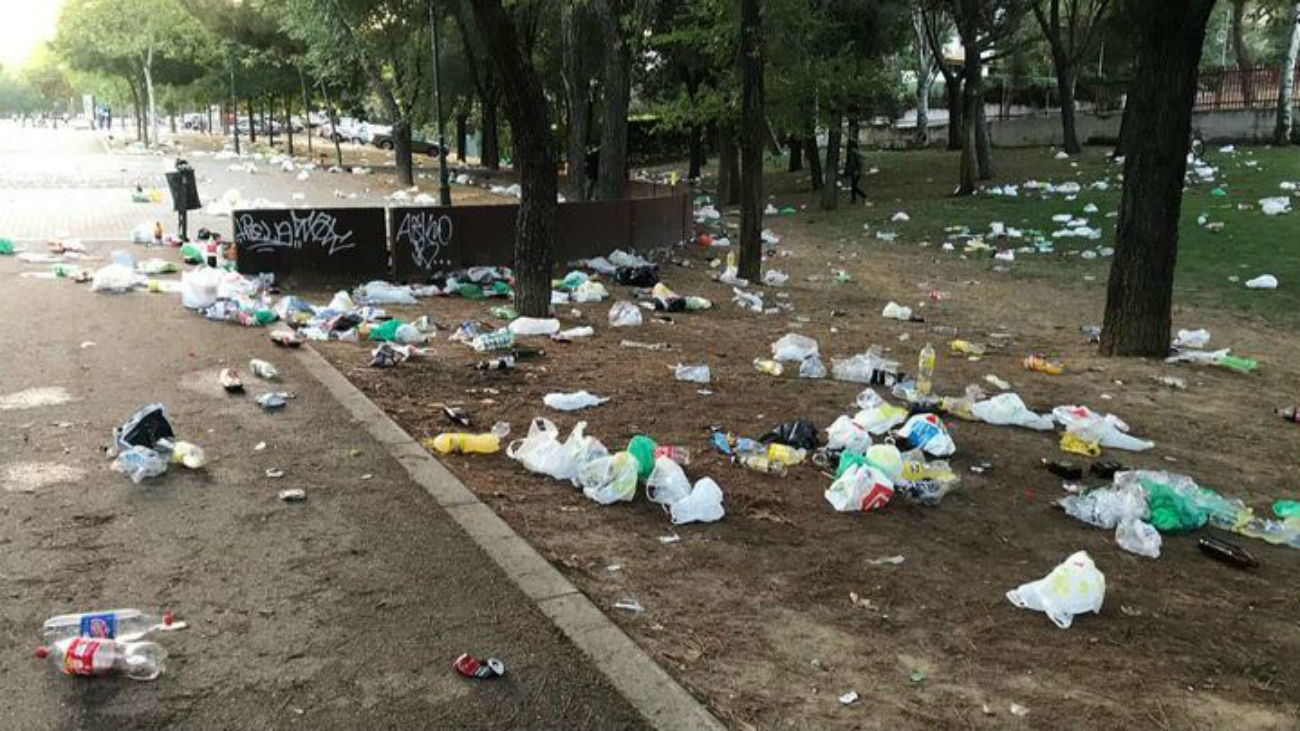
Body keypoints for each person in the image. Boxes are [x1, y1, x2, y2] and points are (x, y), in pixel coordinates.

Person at [844, 139, 866, 203]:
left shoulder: (855, 154)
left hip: (856, 172)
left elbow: (858, 163)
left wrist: (857, 171)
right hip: (854, 172)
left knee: (854, 187)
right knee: (853, 186)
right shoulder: (853, 154)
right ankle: (854, 200)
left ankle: (863, 196)